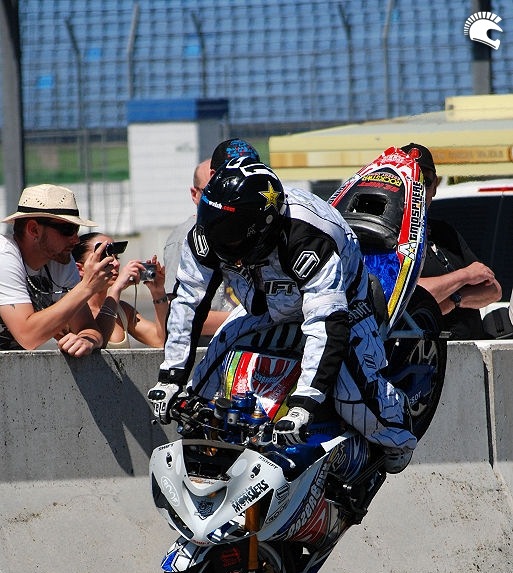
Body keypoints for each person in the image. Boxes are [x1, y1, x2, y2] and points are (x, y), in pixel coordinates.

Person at [148, 157, 417, 473]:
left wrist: (304, 404)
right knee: (202, 383)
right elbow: (188, 302)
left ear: (261, 227)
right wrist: (171, 378)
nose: (217, 238)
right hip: (268, 306)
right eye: (212, 222)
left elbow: (325, 322)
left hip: (342, 303)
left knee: (352, 396)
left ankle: (399, 432)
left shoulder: (307, 237)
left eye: (230, 232)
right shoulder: (208, 233)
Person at [0, 183, 116, 355]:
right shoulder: (4, 255)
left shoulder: (59, 259)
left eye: (77, 229)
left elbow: (88, 328)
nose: (76, 239)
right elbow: (28, 336)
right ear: (34, 229)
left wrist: (86, 340)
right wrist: (87, 287)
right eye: (67, 229)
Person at [401, 143, 502, 340]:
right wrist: (465, 276)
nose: (419, 189)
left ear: (434, 187)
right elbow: (408, 294)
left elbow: (493, 289)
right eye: (411, 181)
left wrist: (456, 299)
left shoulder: (444, 232)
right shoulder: (388, 236)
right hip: (427, 354)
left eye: (425, 182)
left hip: (474, 350)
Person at [163, 138, 260, 337]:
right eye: (212, 188)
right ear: (195, 194)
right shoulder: (183, 238)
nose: (225, 194)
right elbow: (179, 315)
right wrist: (254, 318)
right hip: (210, 347)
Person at [72, 233, 168, 348]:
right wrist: (116, 288)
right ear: (80, 269)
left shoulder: (122, 310)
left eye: (116, 257)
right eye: (104, 258)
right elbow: (96, 348)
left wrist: (158, 292)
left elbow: (161, 340)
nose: (116, 264)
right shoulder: (72, 311)